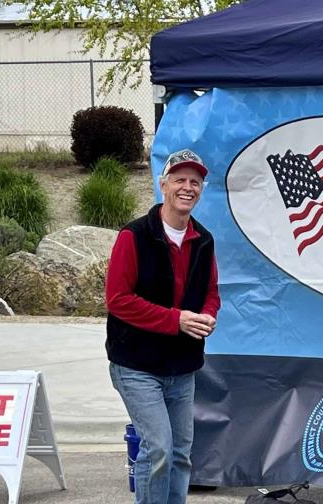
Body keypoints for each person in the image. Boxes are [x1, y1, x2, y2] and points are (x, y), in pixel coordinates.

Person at [105, 148, 220, 504]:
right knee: (158, 450)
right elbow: (118, 299)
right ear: (163, 184)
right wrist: (177, 319)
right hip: (136, 365)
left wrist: (208, 315)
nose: (187, 187)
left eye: (195, 181)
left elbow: (212, 293)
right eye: (180, 180)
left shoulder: (203, 239)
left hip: (181, 367)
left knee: (181, 454)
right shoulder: (134, 236)